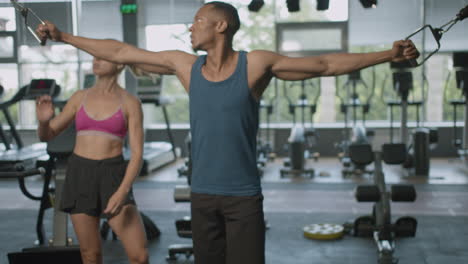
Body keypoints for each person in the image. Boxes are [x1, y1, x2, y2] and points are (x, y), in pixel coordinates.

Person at [36, 1, 419, 263]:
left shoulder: (255, 65)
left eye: (198, 20)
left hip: (242, 199)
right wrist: (64, 36)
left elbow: (323, 64)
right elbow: (119, 52)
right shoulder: (185, 66)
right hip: (202, 195)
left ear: (220, 25)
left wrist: (388, 54)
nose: (191, 26)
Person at [35, 57, 149, 264]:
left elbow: (137, 155)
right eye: (94, 56)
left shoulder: (130, 102)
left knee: (139, 256)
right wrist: (43, 122)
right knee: (90, 255)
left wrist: (123, 191)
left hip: (113, 174)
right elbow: (47, 135)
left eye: (103, 56)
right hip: (80, 172)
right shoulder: (80, 97)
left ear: (119, 63)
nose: (96, 60)